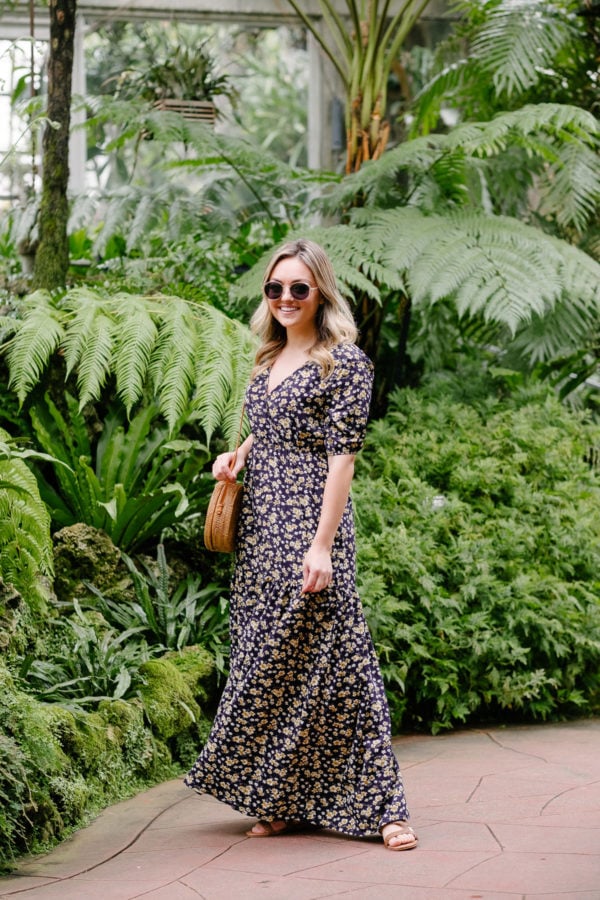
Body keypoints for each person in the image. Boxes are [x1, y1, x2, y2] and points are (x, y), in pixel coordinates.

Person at [185, 238, 417, 851]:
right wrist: (235, 457)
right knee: (267, 661)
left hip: (311, 521)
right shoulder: (265, 360)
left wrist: (322, 546)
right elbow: (266, 432)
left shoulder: (345, 363)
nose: (285, 299)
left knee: (340, 657)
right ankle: (276, 798)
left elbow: (343, 460)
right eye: (275, 289)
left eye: (298, 289)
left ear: (321, 293)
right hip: (260, 525)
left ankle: (384, 807)